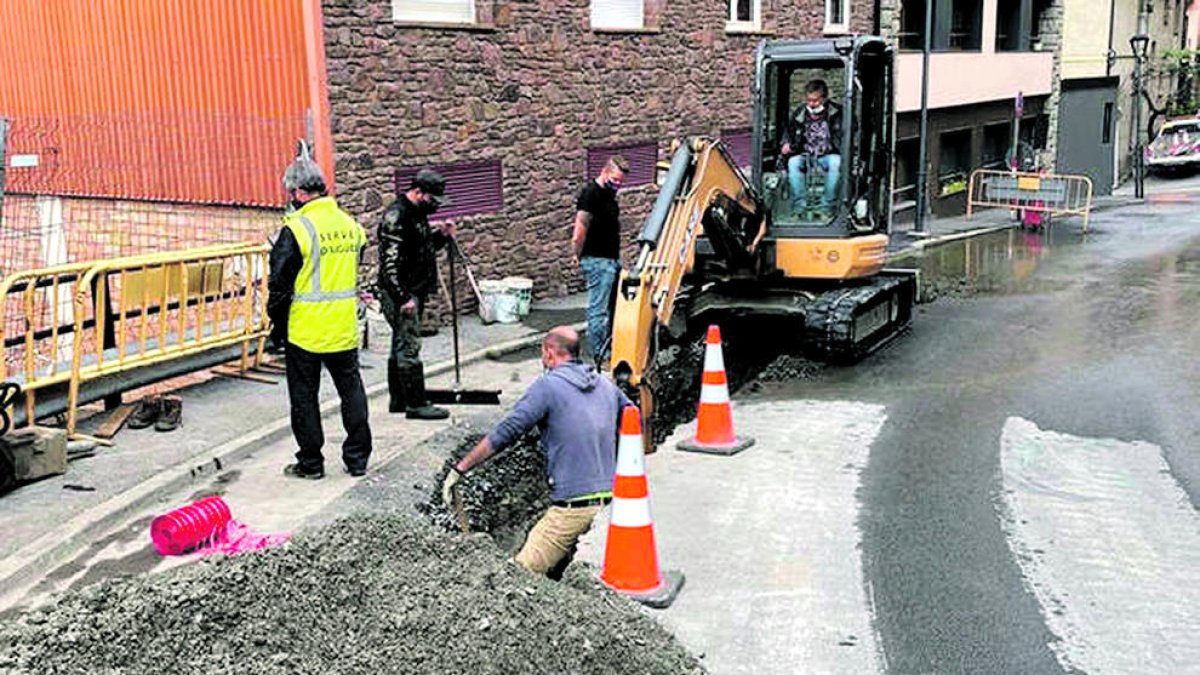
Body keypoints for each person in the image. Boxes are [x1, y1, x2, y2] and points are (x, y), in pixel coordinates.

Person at [441, 326, 632, 578]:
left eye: (543, 354)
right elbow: (633, 419)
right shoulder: (607, 387)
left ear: (550, 352)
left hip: (572, 509)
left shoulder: (548, 387)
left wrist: (460, 468)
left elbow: (508, 431)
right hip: (614, 505)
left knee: (517, 579)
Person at [267, 156, 371, 480]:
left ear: (298, 192)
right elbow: (356, 262)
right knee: (352, 391)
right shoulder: (350, 225)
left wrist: (277, 327)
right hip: (343, 326)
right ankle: (357, 459)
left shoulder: (296, 229)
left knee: (304, 398)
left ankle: (311, 463)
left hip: (306, 331)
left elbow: (279, 285)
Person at [378, 169, 457, 420]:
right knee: (409, 345)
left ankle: (399, 399)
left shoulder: (417, 214)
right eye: (432, 200)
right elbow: (389, 264)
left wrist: (440, 236)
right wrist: (403, 298)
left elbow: (421, 249)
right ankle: (415, 403)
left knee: (401, 343)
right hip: (403, 291)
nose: (435, 206)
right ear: (418, 192)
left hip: (412, 289)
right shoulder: (397, 216)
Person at [572, 155, 628, 367]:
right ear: (604, 171)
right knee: (599, 310)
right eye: (615, 179)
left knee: (616, 308)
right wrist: (576, 254)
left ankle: (611, 347)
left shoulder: (609, 196)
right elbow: (580, 229)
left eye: (621, 182)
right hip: (597, 261)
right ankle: (599, 355)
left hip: (611, 261)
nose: (618, 185)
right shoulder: (591, 194)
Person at [781, 79, 842, 214]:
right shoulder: (799, 114)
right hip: (806, 155)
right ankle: (800, 206)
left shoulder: (838, 113)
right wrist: (786, 144)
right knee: (793, 162)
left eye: (815, 100)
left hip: (828, 155)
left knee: (836, 162)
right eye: (808, 100)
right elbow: (789, 132)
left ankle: (827, 206)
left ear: (825, 98)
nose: (811, 104)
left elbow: (848, 134)